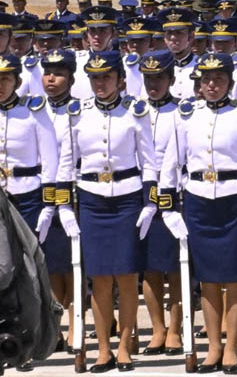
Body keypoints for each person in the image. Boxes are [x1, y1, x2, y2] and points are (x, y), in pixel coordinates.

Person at [160, 53, 237, 374]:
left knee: (234, 277)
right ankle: (214, 347)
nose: (211, 84)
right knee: (206, 279)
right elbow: (171, 164)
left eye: (218, 78)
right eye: (206, 79)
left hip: (235, 202)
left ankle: (232, 347)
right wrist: (169, 209)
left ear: (230, 83)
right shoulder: (186, 115)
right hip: (198, 202)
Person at [56, 51, 157, 372]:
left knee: (127, 278)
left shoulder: (135, 112)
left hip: (127, 199)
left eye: (107, 77)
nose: (101, 83)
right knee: (99, 279)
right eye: (96, 78)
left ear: (120, 80)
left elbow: (150, 162)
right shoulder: (78, 113)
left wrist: (150, 203)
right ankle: (103, 349)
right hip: (92, 201)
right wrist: (64, 206)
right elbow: (66, 163)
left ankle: (125, 346)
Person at [0, 53, 58, 372]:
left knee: (30, 275)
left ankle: (31, 341)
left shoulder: (33, 112)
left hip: (27, 195)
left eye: (6, 79)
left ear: (17, 82)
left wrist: (49, 203)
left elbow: (50, 156)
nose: (0, 85)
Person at [136, 51, 184, 358]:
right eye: (149, 79)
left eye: (159, 78)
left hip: (174, 195)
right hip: (140, 197)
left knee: (176, 268)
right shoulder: (134, 111)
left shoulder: (182, 112)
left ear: (171, 79)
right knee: (149, 269)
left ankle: (176, 330)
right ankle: (157, 328)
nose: (154, 84)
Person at [35, 49, 77, 351]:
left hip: (72, 193)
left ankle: (76, 323)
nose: (52, 78)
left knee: (73, 263)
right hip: (41, 194)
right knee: (48, 264)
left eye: (59, 73)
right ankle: (53, 327)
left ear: (71, 78)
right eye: (48, 73)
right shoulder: (36, 110)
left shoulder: (80, 110)